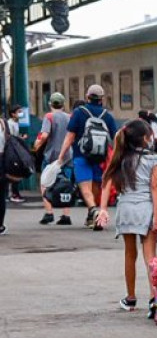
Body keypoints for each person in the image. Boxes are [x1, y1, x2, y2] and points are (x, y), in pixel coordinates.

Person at [94, 119, 157, 316]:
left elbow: (106, 182)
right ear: (145, 138)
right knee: (150, 256)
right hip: (146, 208)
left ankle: (130, 297)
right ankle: (154, 299)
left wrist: (103, 208)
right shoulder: (154, 159)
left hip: (125, 208)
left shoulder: (120, 158)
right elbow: (154, 188)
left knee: (129, 253)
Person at [57, 84, 118, 229]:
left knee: (85, 187)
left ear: (87, 97)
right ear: (102, 99)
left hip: (81, 155)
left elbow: (70, 136)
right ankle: (92, 215)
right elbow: (116, 138)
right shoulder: (107, 115)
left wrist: (61, 156)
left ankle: (93, 211)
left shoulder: (79, 112)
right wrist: (117, 157)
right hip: (100, 157)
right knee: (97, 186)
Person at [33, 92, 73, 225]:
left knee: (45, 182)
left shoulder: (49, 116)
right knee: (66, 184)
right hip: (67, 156)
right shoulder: (70, 117)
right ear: (63, 104)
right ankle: (66, 216)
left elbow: (44, 135)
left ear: (50, 104)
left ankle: (49, 213)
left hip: (51, 156)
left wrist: (37, 145)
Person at [7, 106, 25, 203]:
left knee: (16, 172)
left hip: (16, 150)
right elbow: (11, 137)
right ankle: (13, 194)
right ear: (13, 114)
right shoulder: (10, 123)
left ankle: (15, 193)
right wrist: (20, 139)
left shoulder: (16, 123)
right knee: (14, 172)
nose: (21, 114)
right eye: (19, 112)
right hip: (13, 151)